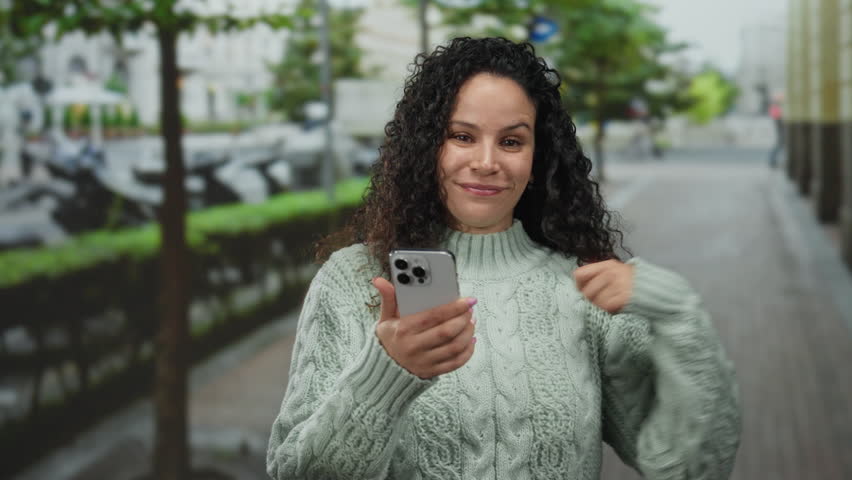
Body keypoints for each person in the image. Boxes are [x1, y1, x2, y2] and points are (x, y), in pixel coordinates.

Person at [267, 37, 741, 480]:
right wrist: (387, 373)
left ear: (538, 159)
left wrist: (680, 316)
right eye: (462, 136)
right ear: (425, 147)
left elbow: (688, 467)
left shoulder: (585, 289)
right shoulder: (356, 281)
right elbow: (297, 470)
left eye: (511, 141)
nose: (487, 162)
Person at [768, 94, 784, 168]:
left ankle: (773, 161)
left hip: (780, 124)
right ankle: (772, 161)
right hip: (780, 124)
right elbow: (778, 117)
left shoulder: (775, 107)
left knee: (780, 143)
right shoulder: (776, 107)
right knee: (780, 143)